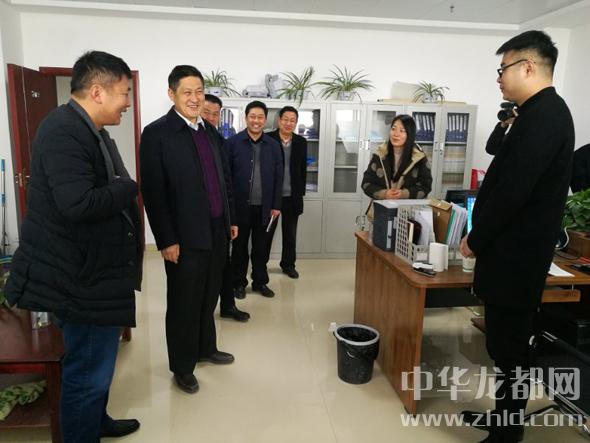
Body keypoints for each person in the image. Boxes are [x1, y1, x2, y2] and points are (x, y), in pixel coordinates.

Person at [5, 50, 142, 442]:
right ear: (97, 91)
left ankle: (97, 420)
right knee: (86, 372)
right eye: (124, 92)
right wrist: (127, 188)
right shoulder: (63, 131)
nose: (127, 102)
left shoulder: (92, 130)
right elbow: (78, 203)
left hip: (94, 272)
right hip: (78, 279)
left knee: (98, 364)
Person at [459, 30, 574, 443]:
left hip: (516, 259)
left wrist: (475, 238)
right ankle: (503, 420)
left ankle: (508, 434)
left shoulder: (546, 117)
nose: (499, 78)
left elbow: (512, 193)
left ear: (527, 67)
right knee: (503, 349)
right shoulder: (534, 113)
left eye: (502, 69)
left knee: (510, 351)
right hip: (510, 256)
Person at [140, 65, 236, 395]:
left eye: (199, 91)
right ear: (172, 94)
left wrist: (230, 219)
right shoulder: (157, 134)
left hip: (216, 232)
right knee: (184, 302)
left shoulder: (209, 132)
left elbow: (224, 180)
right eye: (187, 92)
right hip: (184, 237)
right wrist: (166, 239)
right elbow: (153, 192)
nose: (195, 98)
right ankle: (182, 366)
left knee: (209, 295)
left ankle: (205, 348)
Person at [224, 101, 283, 299]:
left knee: (261, 248)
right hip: (240, 207)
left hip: (265, 208)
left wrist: (276, 205)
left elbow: (279, 177)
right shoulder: (232, 143)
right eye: (252, 116)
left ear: (265, 120)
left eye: (260, 117)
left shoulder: (273, 146)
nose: (256, 121)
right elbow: (226, 178)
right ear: (246, 118)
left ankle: (260, 282)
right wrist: (229, 208)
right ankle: (238, 283)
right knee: (239, 248)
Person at [201, 94, 250, 322]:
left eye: (215, 114)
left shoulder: (220, 140)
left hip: (221, 218)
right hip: (201, 220)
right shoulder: (191, 140)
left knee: (225, 265)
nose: (211, 118)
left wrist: (232, 220)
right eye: (207, 112)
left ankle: (228, 306)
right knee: (206, 270)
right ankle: (205, 313)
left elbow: (227, 183)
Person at [267, 106, 308, 279]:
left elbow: (302, 169)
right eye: (285, 119)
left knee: (290, 234)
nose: (288, 123)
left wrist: (300, 193)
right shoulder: (268, 139)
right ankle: (261, 265)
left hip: (292, 196)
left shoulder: (301, 142)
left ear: (296, 123)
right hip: (272, 197)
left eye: (292, 120)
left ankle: (288, 265)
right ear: (279, 120)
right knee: (267, 233)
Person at [361, 114, 432, 207]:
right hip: (382, 210)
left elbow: (425, 186)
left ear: (409, 134)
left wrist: (403, 194)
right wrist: (384, 194)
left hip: (408, 211)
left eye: (402, 131)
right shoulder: (380, 154)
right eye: (393, 129)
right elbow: (366, 183)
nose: (396, 134)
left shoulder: (418, 157)